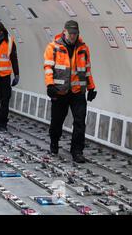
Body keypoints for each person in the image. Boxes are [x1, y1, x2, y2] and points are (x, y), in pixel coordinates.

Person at [44, 20, 97, 163]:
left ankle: (77, 151)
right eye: (71, 33)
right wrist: (50, 85)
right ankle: (54, 141)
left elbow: (87, 71)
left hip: (78, 92)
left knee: (80, 122)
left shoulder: (84, 49)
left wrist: (91, 87)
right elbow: (48, 68)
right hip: (59, 91)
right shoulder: (53, 47)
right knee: (57, 121)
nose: (73, 36)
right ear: (64, 31)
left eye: (75, 33)